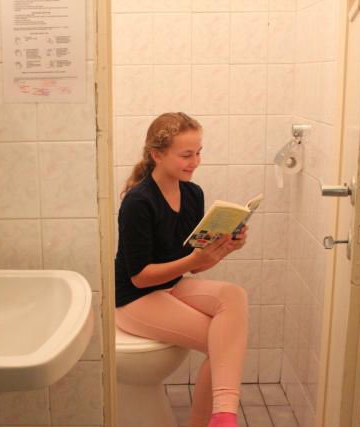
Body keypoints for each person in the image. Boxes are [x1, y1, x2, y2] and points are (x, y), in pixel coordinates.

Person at [115, 112, 249, 427]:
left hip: (170, 286)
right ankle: (219, 419)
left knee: (234, 296)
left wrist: (226, 247)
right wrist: (194, 261)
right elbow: (140, 277)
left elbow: (194, 265)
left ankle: (221, 416)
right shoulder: (138, 202)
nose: (195, 162)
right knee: (223, 343)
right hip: (133, 298)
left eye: (199, 152)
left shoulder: (192, 194)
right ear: (157, 155)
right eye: (186, 155)